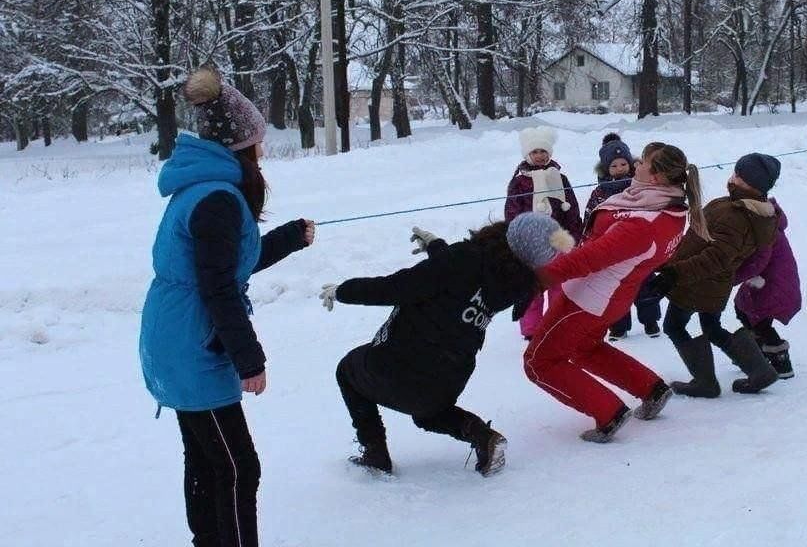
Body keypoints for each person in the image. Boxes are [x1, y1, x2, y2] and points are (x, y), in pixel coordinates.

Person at [139, 67, 315, 547]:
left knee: (207, 459)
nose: (263, 151)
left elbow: (227, 263)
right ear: (240, 145)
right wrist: (249, 359)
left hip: (176, 334)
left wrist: (289, 238)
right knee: (238, 467)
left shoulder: (204, 188)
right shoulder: (217, 198)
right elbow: (217, 286)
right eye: (258, 141)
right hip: (193, 340)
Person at [318, 214, 571, 477]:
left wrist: (343, 291)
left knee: (347, 369)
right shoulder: (514, 284)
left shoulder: (463, 259)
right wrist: (436, 246)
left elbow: (397, 287)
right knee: (429, 412)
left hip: (401, 363)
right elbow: (464, 275)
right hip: (451, 376)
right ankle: (483, 436)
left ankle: (375, 452)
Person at [523, 143, 706, 443]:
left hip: (588, 298)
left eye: (644, 162)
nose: (637, 163)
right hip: (611, 296)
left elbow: (589, 258)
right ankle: (651, 389)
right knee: (586, 348)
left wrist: (533, 279)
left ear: (658, 178)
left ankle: (608, 413)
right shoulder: (664, 205)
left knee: (538, 362)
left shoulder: (646, 224)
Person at [654, 154, 781, 398]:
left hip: (697, 282)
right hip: (714, 285)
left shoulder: (738, 215)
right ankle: (759, 370)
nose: (731, 178)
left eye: (738, 176)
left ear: (751, 185)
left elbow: (717, 257)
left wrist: (674, 273)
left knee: (673, 325)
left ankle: (705, 382)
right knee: (712, 327)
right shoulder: (742, 208)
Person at [504, 125, 583, 339]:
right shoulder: (519, 182)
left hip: (558, 240)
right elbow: (512, 211)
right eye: (535, 152)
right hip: (531, 244)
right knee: (533, 288)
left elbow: (571, 208)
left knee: (558, 285)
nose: (539, 156)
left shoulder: (560, 178)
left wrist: (574, 235)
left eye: (543, 151)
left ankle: (555, 323)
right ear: (527, 154)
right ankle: (532, 329)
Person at [584, 133, 662, 341]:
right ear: (605, 169)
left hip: (639, 246)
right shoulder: (600, 193)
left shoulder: (639, 187)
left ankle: (650, 321)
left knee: (645, 285)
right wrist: (588, 240)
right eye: (614, 166)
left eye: (622, 164)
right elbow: (590, 216)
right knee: (615, 290)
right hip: (612, 249)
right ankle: (618, 326)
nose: (619, 169)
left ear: (630, 164)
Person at [732, 199, 801, 379]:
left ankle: (780, 358)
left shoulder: (766, 233)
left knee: (757, 317)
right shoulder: (770, 225)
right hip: (777, 283)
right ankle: (758, 351)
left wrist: (731, 277)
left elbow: (756, 263)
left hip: (772, 286)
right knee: (743, 308)